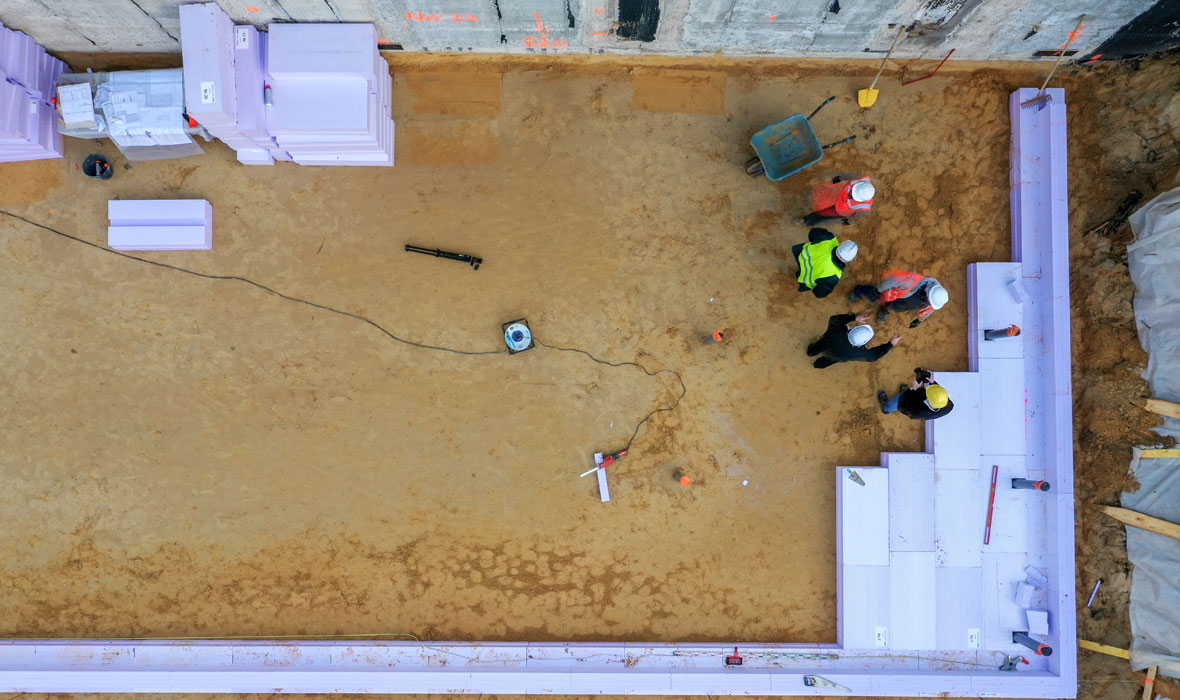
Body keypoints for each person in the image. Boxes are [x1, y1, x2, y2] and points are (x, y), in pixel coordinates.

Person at [849, 269, 948, 327]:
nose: (930, 304)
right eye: (930, 302)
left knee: (891, 308)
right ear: (927, 293)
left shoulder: (935, 300)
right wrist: (879, 289)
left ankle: (885, 311)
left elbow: (929, 310)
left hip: (901, 304)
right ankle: (858, 291)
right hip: (888, 294)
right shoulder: (911, 280)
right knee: (872, 295)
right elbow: (893, 280)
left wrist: (919, 321)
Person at [807, 313, 900, 369]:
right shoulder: (859, 352)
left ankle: (810, 352)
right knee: (828, 360)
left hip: (825, 343)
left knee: (817, 347)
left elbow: (835, 319)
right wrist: (890, 344)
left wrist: (854, 317)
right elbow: (874, 356)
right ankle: (817, 365)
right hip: (836, 356)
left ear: (851, 330)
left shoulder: (838, 329)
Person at [792, 228, 858, 299]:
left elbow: (813, 232)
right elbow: (819, 293)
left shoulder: (829, 239)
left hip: (801, 255)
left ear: (841, 244)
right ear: (849, 260)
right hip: (805, 278)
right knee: (803, 278)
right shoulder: (833, 276)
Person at [877, 367, 954, 419]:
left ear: (928, 400)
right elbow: (937, 393)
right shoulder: (948, 405)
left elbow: (904, 408)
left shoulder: (920, 411)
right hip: (923, 403)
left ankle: (886, 408)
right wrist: (933, 383)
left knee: (899, 400)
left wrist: (912, 390)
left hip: (909, 406)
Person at [802, 175, 875, 226]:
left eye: (853, 196)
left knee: (823, 214)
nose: (850, 195)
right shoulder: (861, 181)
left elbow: (859, 215)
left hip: (840, 210)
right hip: (840, 197)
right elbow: (851, 176)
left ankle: (807, 221)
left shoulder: (865, 206)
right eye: (852, 192)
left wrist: (849, 221)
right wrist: (840, 177)